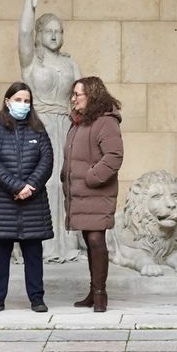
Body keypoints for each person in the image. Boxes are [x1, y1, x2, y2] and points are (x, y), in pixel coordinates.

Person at [19, 0, 82, 263]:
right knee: (43, 183)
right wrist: (30, 1)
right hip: (39, 125)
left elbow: (82, 96)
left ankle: (67, 244)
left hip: (66, 125)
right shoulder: (32, 61)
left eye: (59, 31)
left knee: (65, 181)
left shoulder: (71, 64)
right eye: (49, 31)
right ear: (40, 34)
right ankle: (41, 245)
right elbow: (23, 33)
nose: (55, 36)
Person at [0, 82, 54, 313]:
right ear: (7, 101)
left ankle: (37, 298)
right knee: (0, 252)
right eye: (18, 100)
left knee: (33, 253)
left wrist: (30, 186)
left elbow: (47, 161)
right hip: (1, 202)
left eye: (26, 101)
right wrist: (16, 187)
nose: (23, 105)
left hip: (33, 202)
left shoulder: (38, 130)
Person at [62, 76, 124, 313]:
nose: (74, 99)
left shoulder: (106, 122)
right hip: (81, 194)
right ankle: (94, 290)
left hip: (96, 192)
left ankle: (100, 295)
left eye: (78, 94)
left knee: (97, 240)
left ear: (92, 95)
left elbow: (114, 156)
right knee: (90, 241)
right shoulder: (79, 122)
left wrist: (90, 177)